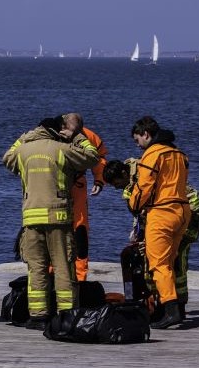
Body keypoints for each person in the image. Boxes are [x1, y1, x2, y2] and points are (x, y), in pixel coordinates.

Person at [2, 116, 99, 330]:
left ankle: (38, 316)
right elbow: (93, 157)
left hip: (31, 219)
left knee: (36, 268)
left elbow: (6, 157)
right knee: (64, 267)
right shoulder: (61, 150)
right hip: (58, 218)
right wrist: (77, 136)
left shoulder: (23, 151)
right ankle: (66, 315)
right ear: (57, 131)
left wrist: (26, 137)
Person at [104, 158, 199, 320]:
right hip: (173, 212)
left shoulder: (142, 180)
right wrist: (139, 233)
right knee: (158, 263)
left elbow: (147, 210)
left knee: (176, 262)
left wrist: (146, 234)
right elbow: (143, 213)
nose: (117, 187)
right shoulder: (138, 177)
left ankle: (176, 307)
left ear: (124, 173)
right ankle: (167, 306)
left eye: (117, 183)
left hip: (183, 214)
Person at [126, 116, 190, 329]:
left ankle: (170, 311)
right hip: (182, 210)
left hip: (162, 212)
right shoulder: (179, 154)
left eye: (137, 140)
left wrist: (133, 204)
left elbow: (144, 186)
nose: (137, 145)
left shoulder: (152, 154)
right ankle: (175, 307)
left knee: (158, 264)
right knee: (170, 262)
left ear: (146, 134)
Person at [62, 113, 108, 281]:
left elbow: (100, 157)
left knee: (80, 231)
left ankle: (80, 277)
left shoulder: (89, 136)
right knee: (53, 231)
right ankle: (51, 274)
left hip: (78, 186)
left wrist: (99, 180)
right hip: (55, 186)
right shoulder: (52, 135)